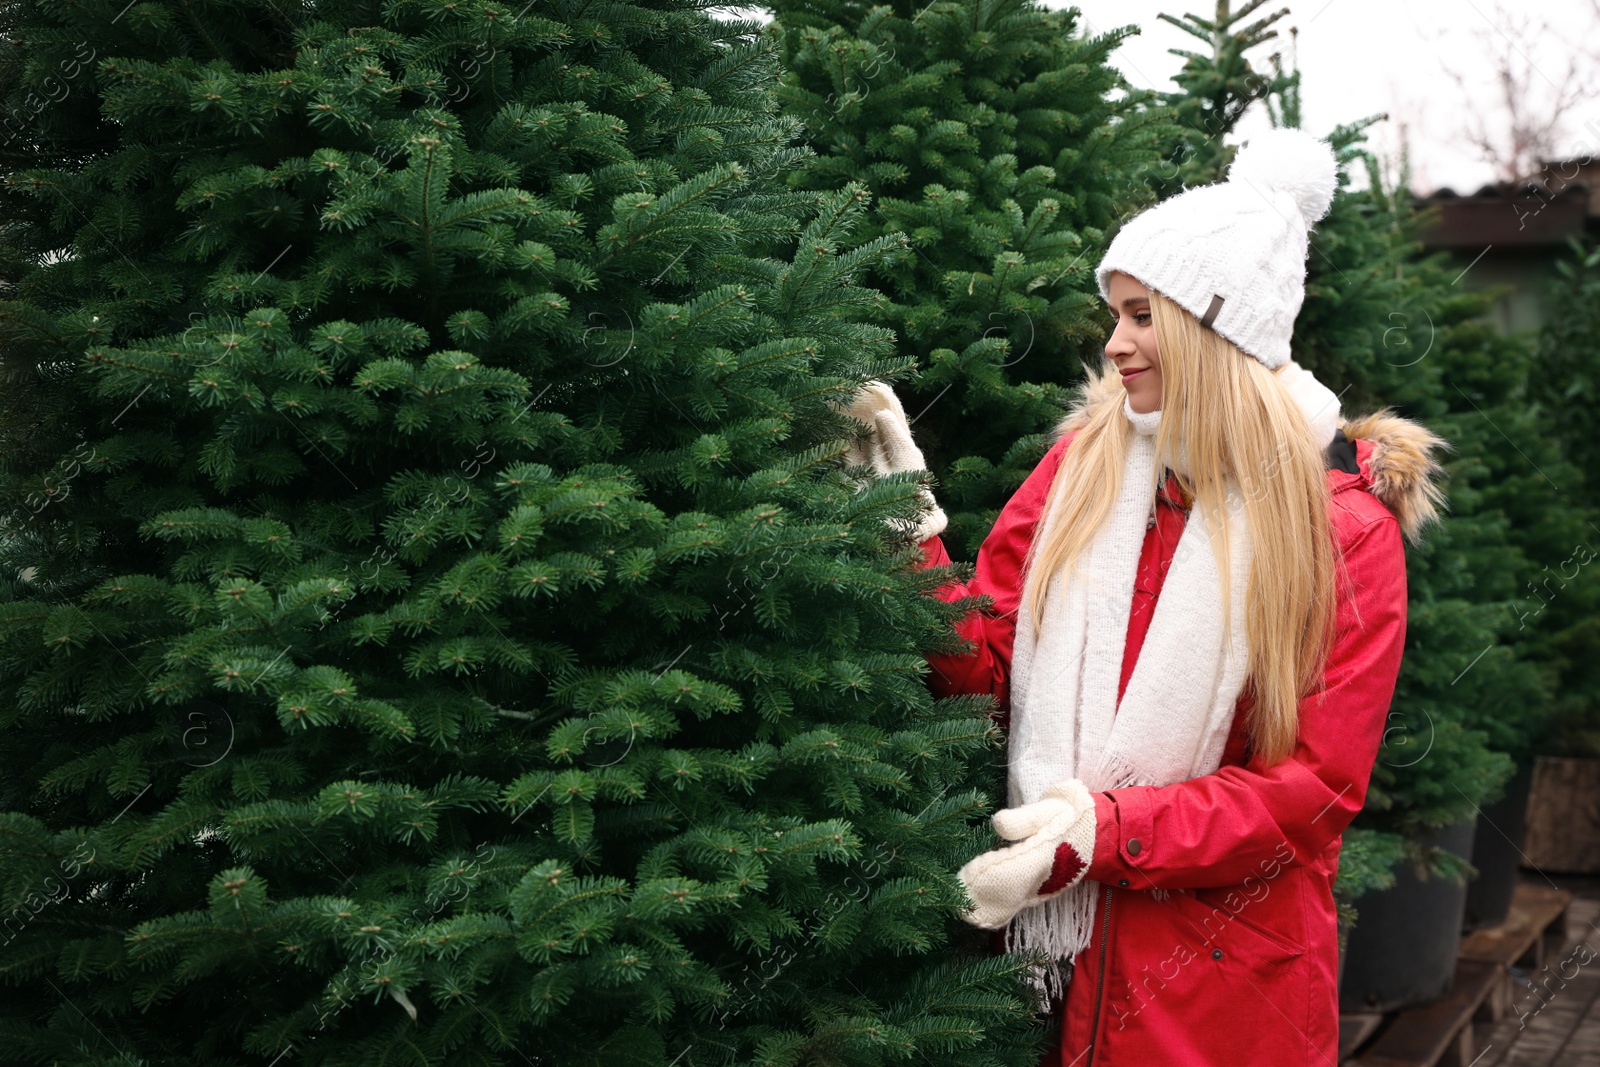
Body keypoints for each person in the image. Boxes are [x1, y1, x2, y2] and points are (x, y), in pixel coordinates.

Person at [834, 127, 1450, 1066]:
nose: (1114, 343)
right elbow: (988, 674)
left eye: (1141, 316)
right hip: (1055, 972)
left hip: (1218, 995)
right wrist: (907, 533)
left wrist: (1099, 834)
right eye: (1114, 314)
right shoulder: (1082, 469)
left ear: (1217, 330)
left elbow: (1310, 792)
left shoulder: (1341, 530)